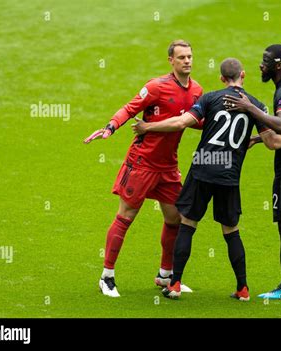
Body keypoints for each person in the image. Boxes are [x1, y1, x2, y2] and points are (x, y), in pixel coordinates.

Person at [133, 58, 281, 301]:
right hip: (229, 174)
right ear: (243, 75)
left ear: (221, 78)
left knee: (187, 223)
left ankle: (174, 284)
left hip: (203, 167)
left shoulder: (210, 98)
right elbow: (272, 143)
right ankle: (243, 288)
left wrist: (148, 127)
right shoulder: (254, 105)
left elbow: (180, 122)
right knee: (231, 231)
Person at [83, 40, 203, 297]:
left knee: (175, 218)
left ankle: (165, 275)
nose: (187, 61)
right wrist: (110, 127)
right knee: (126, 216)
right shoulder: (156, 86)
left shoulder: (197, 91)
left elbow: (195, 120)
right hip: (142, 163)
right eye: (181, 57)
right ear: (171, 60)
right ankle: (107, 276)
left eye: (190, 56)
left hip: (168, 166)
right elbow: (130, 108)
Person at [223, 44, 281, 300]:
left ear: (278, 66)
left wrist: (249, 107)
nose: (260, 65)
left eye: (265, 61)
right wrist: (257, 138)